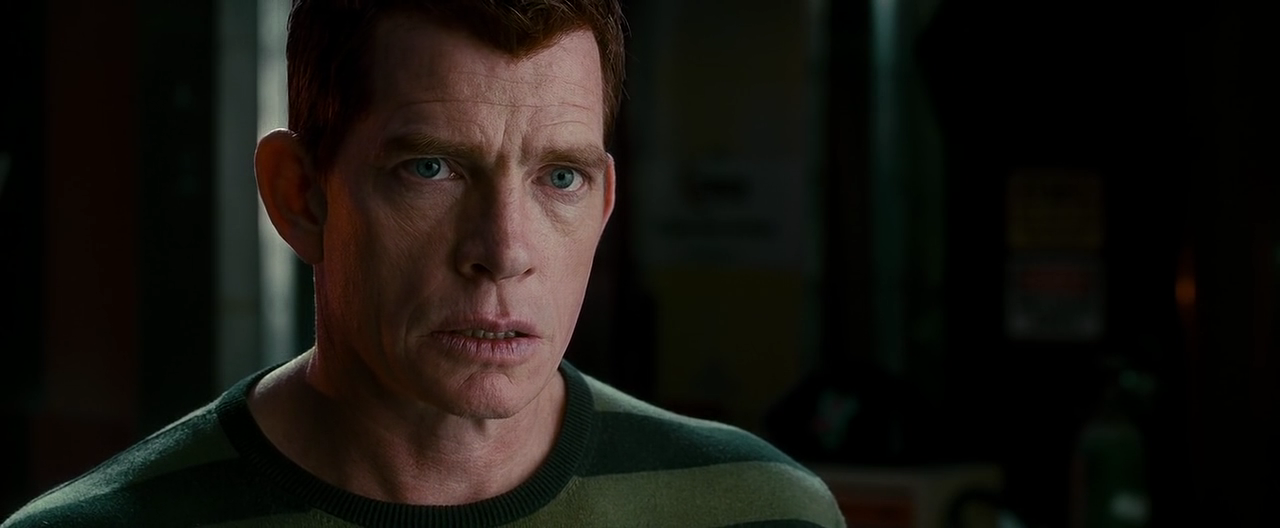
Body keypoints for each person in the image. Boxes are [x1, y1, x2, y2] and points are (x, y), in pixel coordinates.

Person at [4, 1, 844, 526]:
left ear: (603, 204)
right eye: (431, 168)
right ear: (300, 196)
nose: (504, 253)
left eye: (560, 177)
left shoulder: (761, 512)